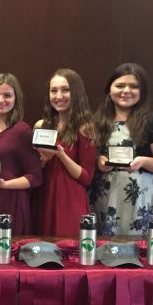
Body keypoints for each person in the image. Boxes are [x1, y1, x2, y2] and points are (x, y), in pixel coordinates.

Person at [89, 63, 153, 236]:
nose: (126, 91)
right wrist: (98, 162)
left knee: (137, 251)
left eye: (134, 86)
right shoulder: (96, 122)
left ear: (142, 91)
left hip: (138, 199)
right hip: (103, 196)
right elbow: (86, 157)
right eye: (120, 85)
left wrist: (143, 161)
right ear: (109, 89)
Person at [0, 73, 42, 235]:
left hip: (10, 203)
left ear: (16, 98)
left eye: (7, 95)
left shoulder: (22, 130)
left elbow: (36, 177)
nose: (0, 100)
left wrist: (5, 185)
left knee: (7, 257)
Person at [33, 68, 97, 236]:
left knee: (69, 251)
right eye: (53, 91)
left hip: (70, 198)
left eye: (65, 90)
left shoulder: (85, 128)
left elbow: (86, 177)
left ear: (76, 93)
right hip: (43, 196)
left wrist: (61, 155)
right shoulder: (41, 125)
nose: (58, 96)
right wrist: (43, 161)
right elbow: (34, 169)